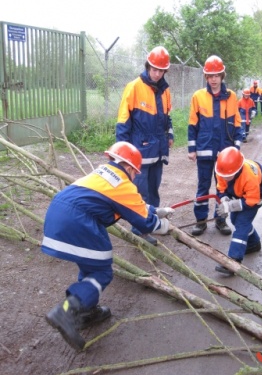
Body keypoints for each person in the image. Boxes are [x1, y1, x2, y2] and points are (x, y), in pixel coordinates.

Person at [41, 142, 174, 350]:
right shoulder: (123, 183)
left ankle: (86, 310)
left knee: (92, 265)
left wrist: (156, 210)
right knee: (102, 272)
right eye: (135, 173)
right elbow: (144, 222)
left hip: (58, 214)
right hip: (78, 221)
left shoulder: (103, 174)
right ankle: (66, 311)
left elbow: (127, 203)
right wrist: (163, 225)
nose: (135, 176)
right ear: (130, 168)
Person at [116, 46, 174, 246]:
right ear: (148, 66)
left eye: (161, 71)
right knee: (141, 193)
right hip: (139, 152)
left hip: (157, 150)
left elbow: (167, 117)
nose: (157, 74)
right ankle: (139, 230)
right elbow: (123, 121)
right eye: (154, 69)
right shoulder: (134, 87)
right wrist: (122, 154)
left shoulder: (165, 91)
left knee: (154, 190)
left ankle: (152, 223)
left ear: (165, 71)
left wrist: (170, 133)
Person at [188, 55, 243, 237]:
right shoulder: (198, 97)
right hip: (204, 150)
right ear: (206, 77)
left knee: (223, 188)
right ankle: (201, 221)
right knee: (203, 187)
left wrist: (236, 146)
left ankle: (220, 220)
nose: (213, 79)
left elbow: (237, 123)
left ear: (222, 76)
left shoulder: (232, 97)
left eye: (217, 75)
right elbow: (192, 124)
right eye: (210, 75)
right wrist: (192, 149)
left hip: (224, 153)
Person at [214, 147, 262, 276]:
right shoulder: (223, 169)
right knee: (234, 219)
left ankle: (233, 261)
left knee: (241, 223)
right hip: (239, 192)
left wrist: (231, 206)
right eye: (224, 176)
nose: (226, 178)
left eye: (229, 176)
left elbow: (252, 200)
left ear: (238, 169)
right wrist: (224, 200)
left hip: (256, 194)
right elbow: (221, 187)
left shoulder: (249, 177)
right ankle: (254, 244)